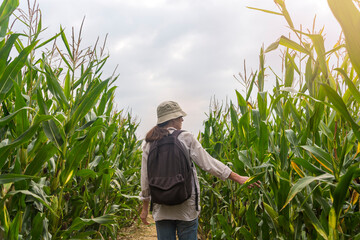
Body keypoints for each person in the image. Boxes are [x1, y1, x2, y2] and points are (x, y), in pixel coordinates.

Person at [139, 101, 259, 240]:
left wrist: (145, 208)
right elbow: (209, 164)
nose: (182, 120)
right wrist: (238, 177)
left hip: (162, 208)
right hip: (186, 207)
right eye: (179, 117)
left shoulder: (149, 142)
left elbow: (145, 178)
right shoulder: (185, 137)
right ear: (172, 119)